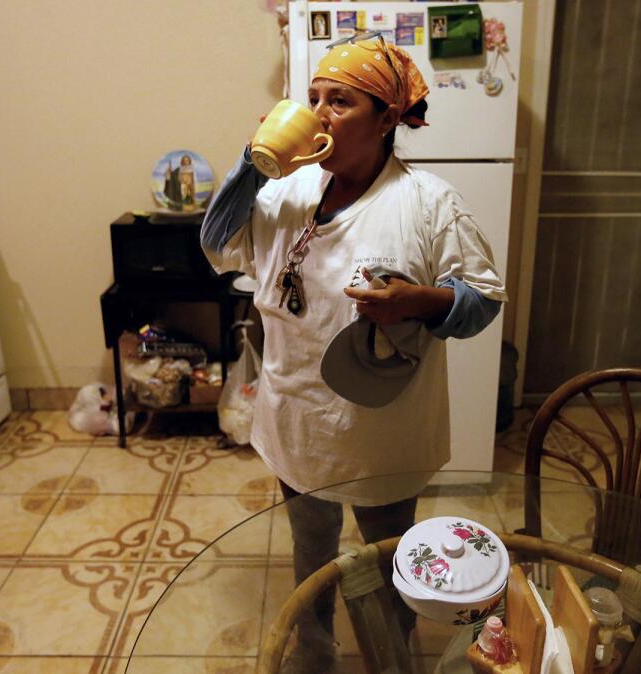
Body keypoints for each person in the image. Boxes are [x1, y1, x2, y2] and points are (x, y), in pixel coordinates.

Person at [201, 36, 505, 673]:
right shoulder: (287, 192)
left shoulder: (426, 203)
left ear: (387, 118)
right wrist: (253, 163)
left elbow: (480, 298)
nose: (319, 113)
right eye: (313, 99)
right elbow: (217, 244)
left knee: (391, 561)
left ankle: (391, 661)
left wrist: (418, 301)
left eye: (339, 101)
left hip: (381, 428)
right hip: (295, 420)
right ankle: (312, 659)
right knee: (311, 554)